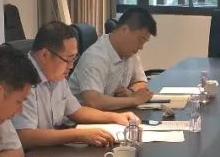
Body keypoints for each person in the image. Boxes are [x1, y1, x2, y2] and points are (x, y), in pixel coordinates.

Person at [14, 21, 140, 149]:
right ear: (44, 55)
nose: (71, 66)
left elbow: (76, 111)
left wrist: (115, 117)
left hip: (51, 148)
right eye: (68, 59)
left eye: (74, 58)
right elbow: (25, 136)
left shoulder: (55, 73)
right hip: (30, 154)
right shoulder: (22, 79)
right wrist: (78, 135)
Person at [70, 7, 157, 110]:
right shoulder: (96, 57)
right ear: (124, 30)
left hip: (110, 112)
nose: (141, 47)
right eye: (140, 40)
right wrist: (134, 99)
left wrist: (131, 92)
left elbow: (141, 82)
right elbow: (93, 101)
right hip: (80, 117)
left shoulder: (130, 52)